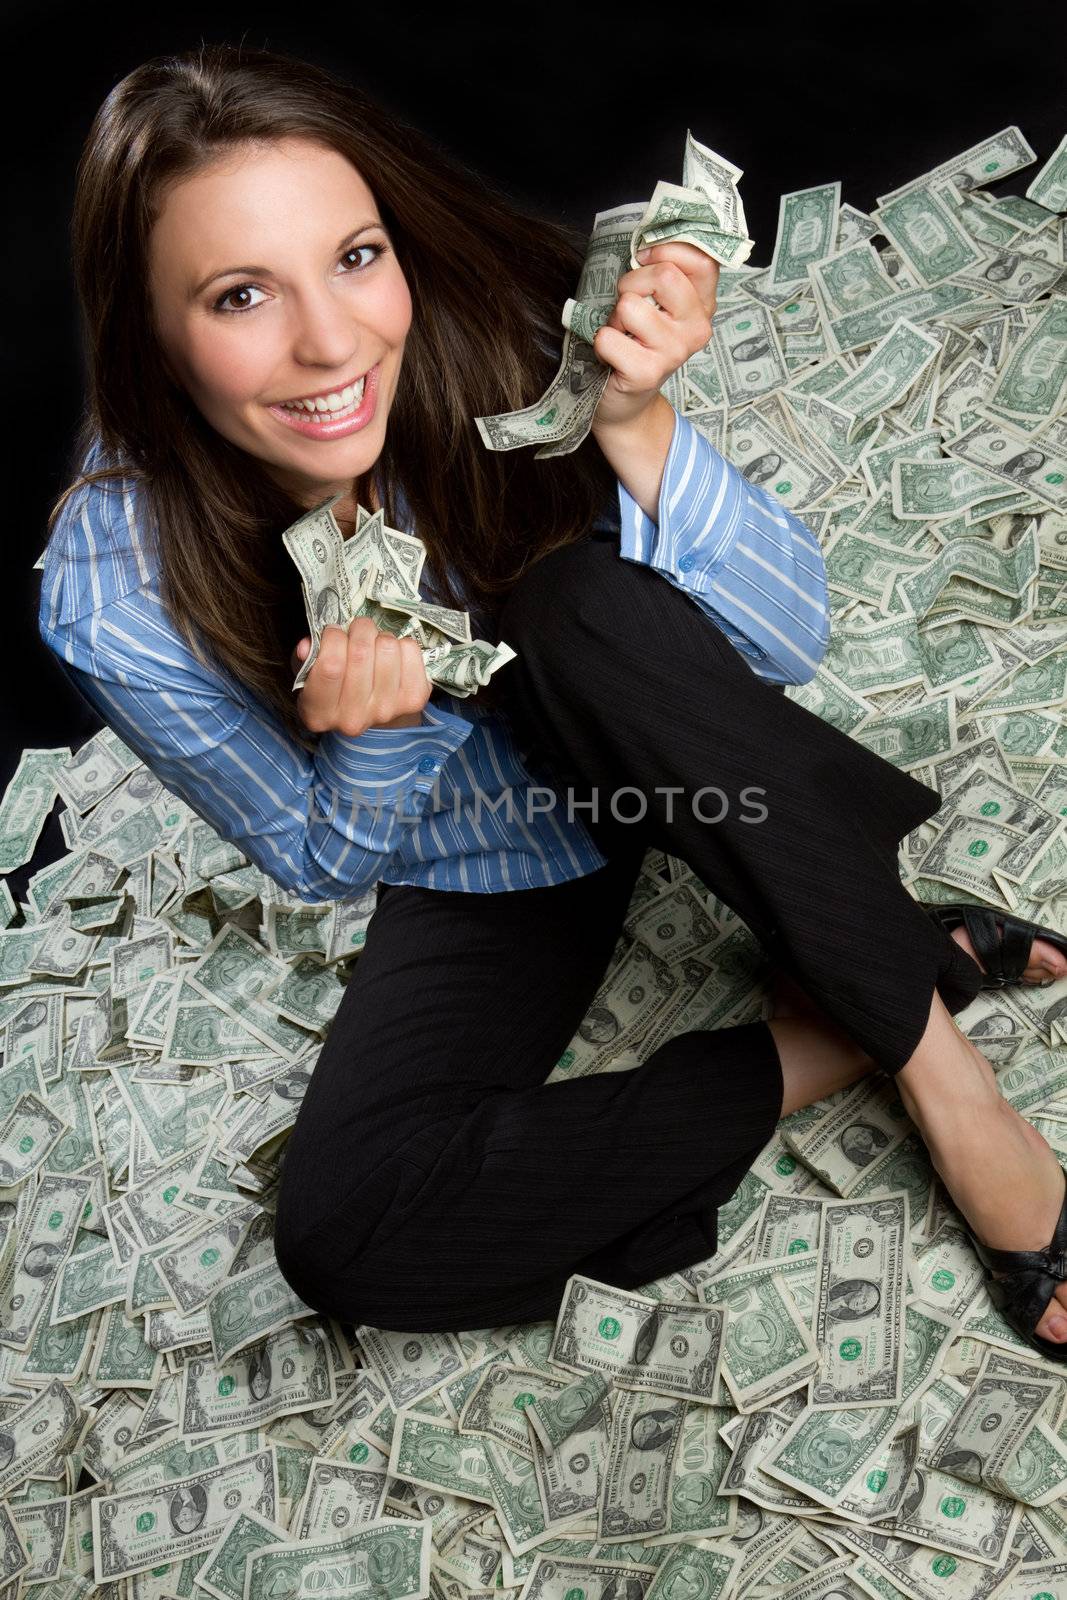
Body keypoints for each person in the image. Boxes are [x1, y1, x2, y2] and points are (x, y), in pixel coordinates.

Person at [36, 44, 1067, 1352]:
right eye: (241, 294)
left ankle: (955, 1093)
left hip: (665, 737)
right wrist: (379, 743)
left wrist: (637, 422)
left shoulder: (496, 332)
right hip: (484, 864)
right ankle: (852, 1018)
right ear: (148, 335)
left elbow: (783, 641)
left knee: (580, 608)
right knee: (347, 1234)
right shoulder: (110, 589)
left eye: (355, 257)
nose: (331, 341)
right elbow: (314, 853)